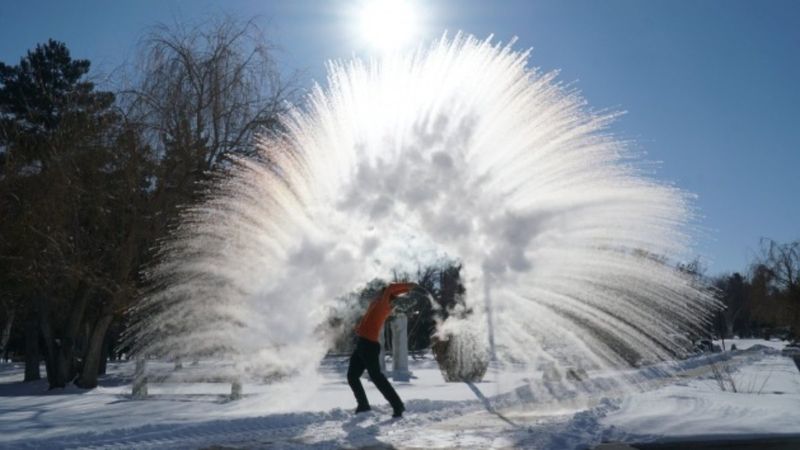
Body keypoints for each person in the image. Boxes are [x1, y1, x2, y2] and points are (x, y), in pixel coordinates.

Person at [347, 282, 415, 418]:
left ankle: (398, 405)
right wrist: (359, 328)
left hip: (369, 346)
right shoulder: (377, 302)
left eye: (383, 291)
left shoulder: (384, 304)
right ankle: (363, 405)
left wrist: (409, 286)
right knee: (352, 376)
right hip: (362, 343)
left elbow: (391, 288)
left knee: (377, 377)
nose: (380, 292)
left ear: (387, 295)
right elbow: (368, 316)